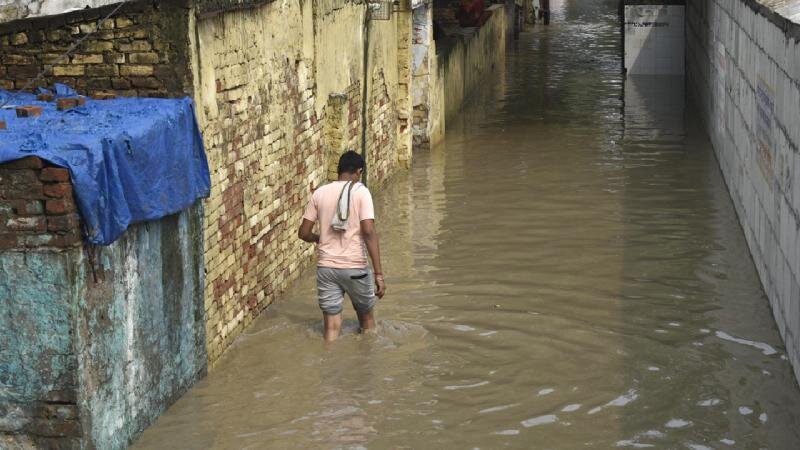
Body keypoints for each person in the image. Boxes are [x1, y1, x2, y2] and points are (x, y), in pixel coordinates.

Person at [298, 151, 386, 341]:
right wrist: (379, 274)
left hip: (326, 268)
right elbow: (369, 231)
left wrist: (318, 239)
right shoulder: (361, 191)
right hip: (355, 268)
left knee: (330, 328)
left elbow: (303, 233)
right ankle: (367, 366)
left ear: (339, 170)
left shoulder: (319, 193)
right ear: (359, 171)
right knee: (367, 321)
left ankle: (328, 364)